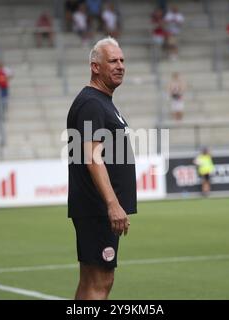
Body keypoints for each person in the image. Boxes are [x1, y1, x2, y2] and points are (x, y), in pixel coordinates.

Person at [66, 37, 137, 300]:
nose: (120, 66)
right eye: (113, 61)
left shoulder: (101, 100)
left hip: (96, 208)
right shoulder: (92, 103)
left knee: (91, 281)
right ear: (95, 67)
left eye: (122, 60)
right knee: (101, 282)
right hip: (97, 209)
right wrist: (112, 204)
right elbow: (92, 157)